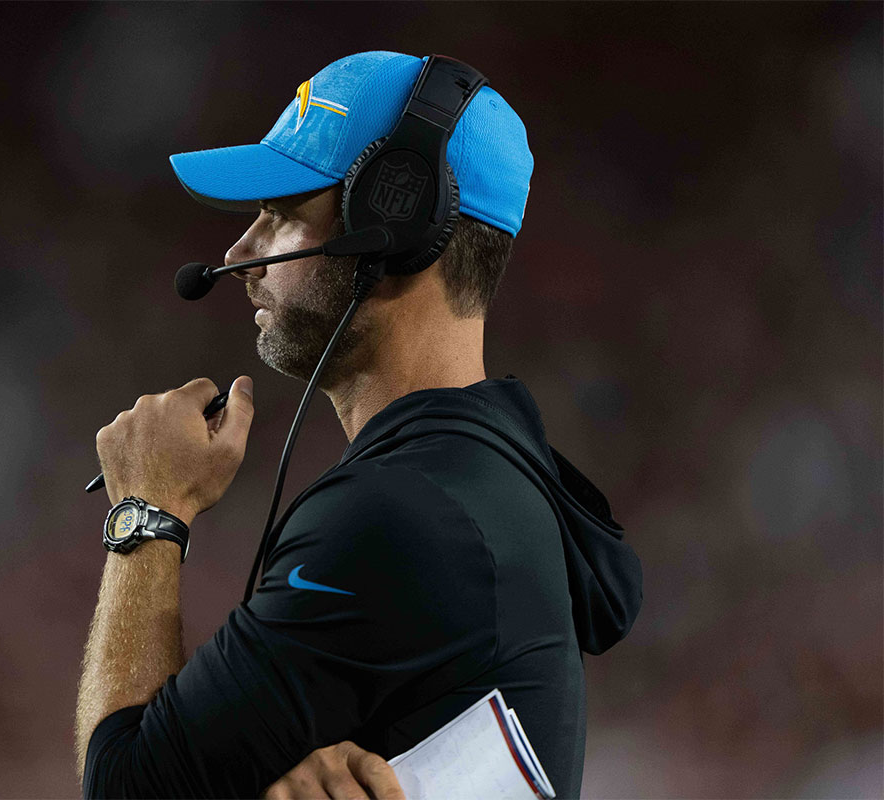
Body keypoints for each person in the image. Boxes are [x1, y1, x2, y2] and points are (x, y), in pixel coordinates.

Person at [76, 50, 643, 799]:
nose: (238, 254)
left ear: (395, 222)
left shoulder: (402, 514)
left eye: (280, 215)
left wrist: (146, 513)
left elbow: (125, 791)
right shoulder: (488, 482)